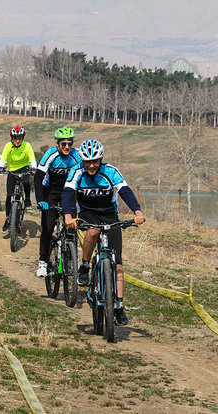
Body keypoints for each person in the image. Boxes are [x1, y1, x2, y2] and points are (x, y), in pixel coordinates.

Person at [61, 139, 144, 326]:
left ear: (101, 160)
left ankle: (119, 307)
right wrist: (68, 216)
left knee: (118, 264)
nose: (92, 165)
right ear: (82, 161)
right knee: (92, 232)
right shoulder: (76, 172)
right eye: (88, 162)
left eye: (95, 161)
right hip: (88, 213)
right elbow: (67, 193)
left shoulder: (110, 172)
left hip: (109, 214)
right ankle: (84, 265)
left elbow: (125, 191)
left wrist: (137, 212)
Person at [34, 127, 81, 278]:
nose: (67, 147)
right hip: (51, 192)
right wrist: (41, 200)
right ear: (57, 144)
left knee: (72, 226)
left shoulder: (76, 155)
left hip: (69, 192)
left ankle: (72, 260)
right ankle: (43, 262)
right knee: (47, 227)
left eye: (70, 143)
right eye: (63, 144)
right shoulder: (50, 155)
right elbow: (38, 177)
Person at [0, 125, 37, 234]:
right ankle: (8, 219)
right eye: (15, 138)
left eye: (19, 138)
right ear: (12, 138)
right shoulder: (8, 146)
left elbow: (32, 158)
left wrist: (33, 168)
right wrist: (0, 166)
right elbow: (3, 157)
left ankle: (27, 200)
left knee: (26, 181)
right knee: (9, 195)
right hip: (12, 170)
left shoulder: (27, 146)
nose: (17, 141)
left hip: (24, 168)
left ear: (23, 138)